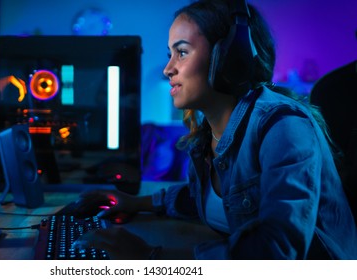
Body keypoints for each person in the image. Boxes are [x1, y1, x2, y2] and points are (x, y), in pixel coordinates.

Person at [72, 0, 357, 259]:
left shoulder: (284, 128)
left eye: (181, 52)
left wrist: (152, 256)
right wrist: (135, 203)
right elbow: (204, 199)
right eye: (170, 54)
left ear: (230, 59)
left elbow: (277, 250)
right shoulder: (207, 135)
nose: (168, 69)